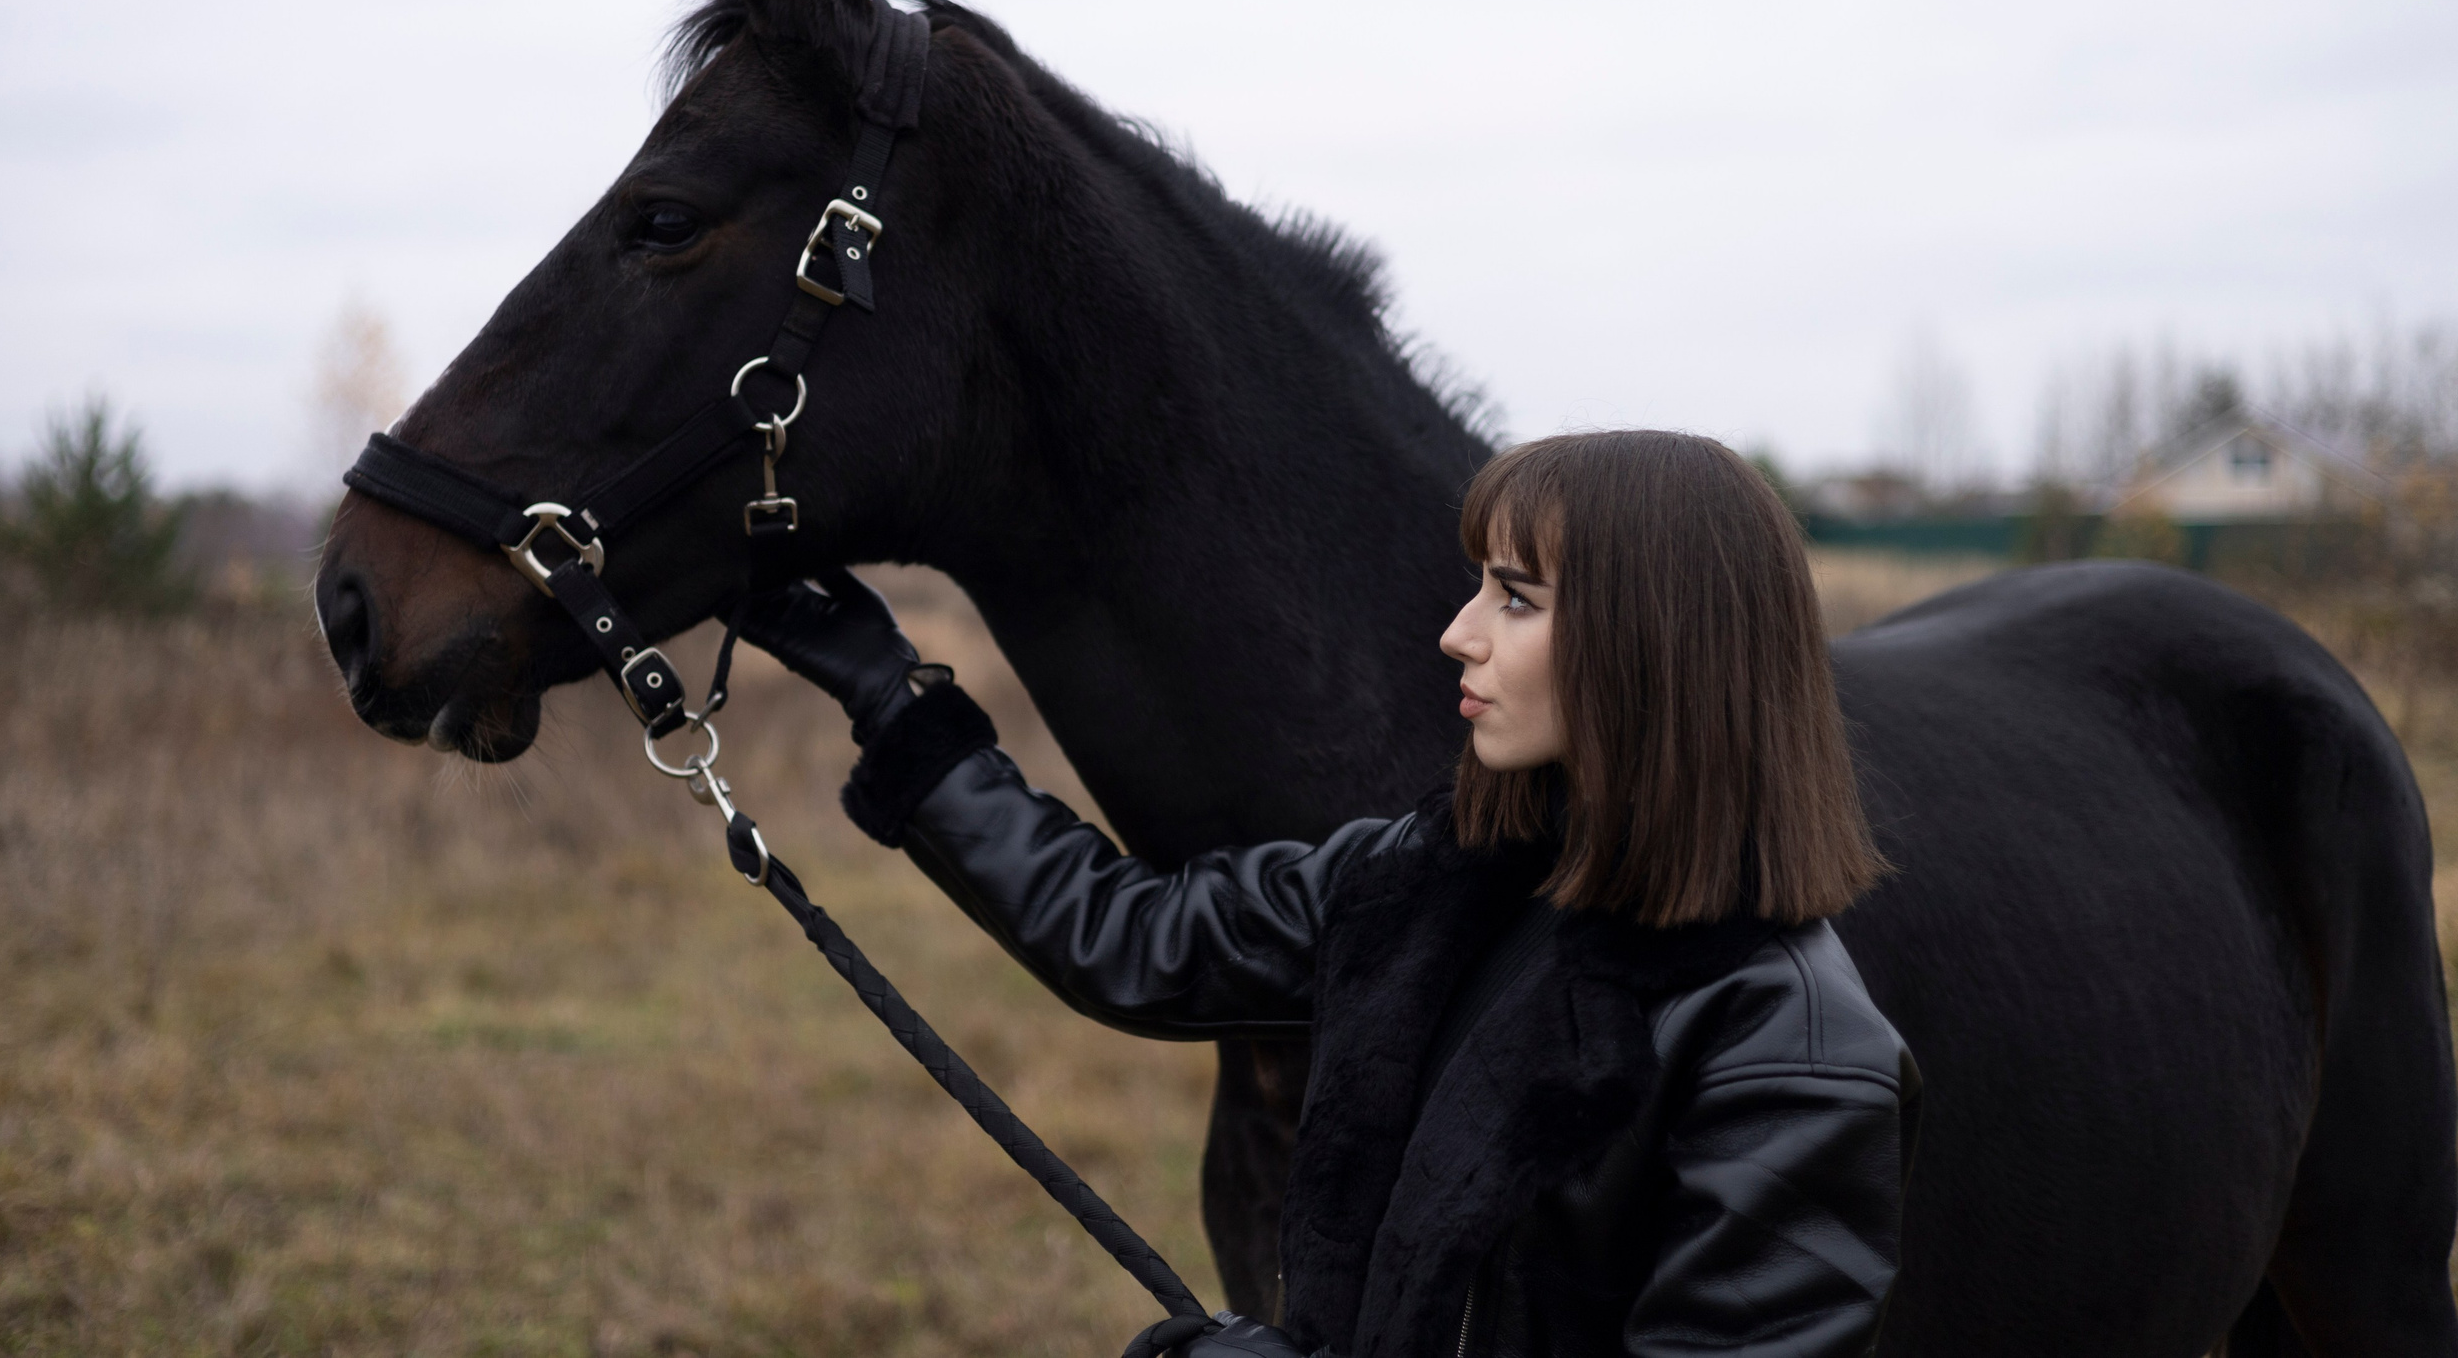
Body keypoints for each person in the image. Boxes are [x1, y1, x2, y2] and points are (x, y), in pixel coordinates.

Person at [735, 430, 1920, 1358]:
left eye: (1515, 597)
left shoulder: (1786, 1053)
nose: (1457, 634)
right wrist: (890, 695)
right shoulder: (1428, 880)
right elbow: (1129, 937)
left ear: (1654, 642)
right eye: (1477, 587)